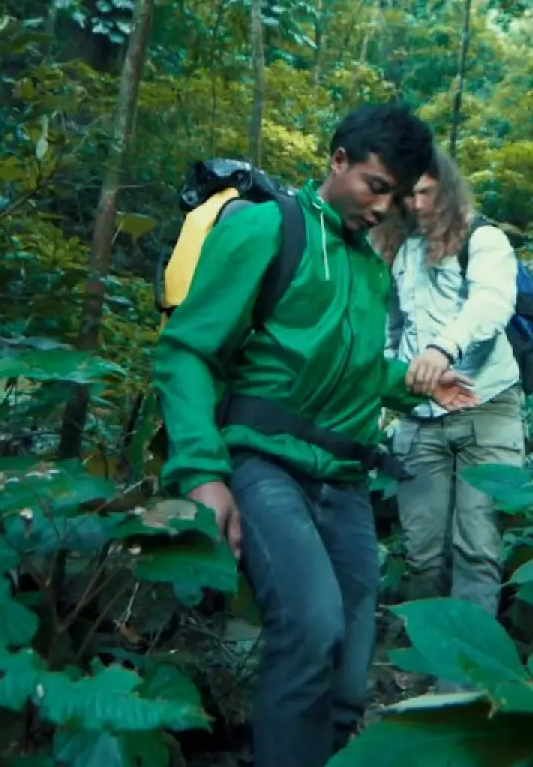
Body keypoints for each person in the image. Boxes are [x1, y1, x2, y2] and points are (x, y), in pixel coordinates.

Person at [150, 103, 478, 767]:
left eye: (397, 197)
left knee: (349, 674)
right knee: (310, 627)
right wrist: (202, 472)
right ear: (338, 162)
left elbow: (345, 366)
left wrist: (410, 384)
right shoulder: (270, 229)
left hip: (346, 480)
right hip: (266, 466)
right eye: (375, 186)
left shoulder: (365, 267)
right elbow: (186, 350)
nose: (383, 208)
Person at [372, 150, 524, 624]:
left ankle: (467, 673)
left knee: (478, 547)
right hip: (418, 418)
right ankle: (422, 659)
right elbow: (389, 329)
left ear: (447, 189)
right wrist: (388, 383)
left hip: (488, 407)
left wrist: (442, 350)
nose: (416, 204)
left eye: (426, 192)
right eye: (408, 194)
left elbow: (491, 304)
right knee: (422, 551)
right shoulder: (395, 247)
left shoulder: (484, 238)